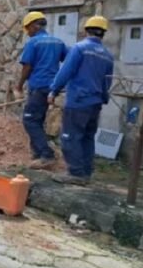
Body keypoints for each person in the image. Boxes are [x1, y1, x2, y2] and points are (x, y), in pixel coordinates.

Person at [48, 16, 114, 185]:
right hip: (95, 103)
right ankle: (86, 172)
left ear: (86, 31)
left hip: (78, 101)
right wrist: (103, 98)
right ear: (103, 33)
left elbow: (66, 71)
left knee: (70, 136)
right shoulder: (107, 56)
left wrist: (54, 90)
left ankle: (76, 173)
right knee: (87, 138)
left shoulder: (80, 48)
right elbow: (107, 81)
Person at [16, 11, 68, 169]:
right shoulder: (58, 42)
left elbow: (27, 66)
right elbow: (68, 61)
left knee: (29, 120)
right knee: (38, 120)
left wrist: (19, 85)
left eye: (27, 29)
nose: (28, 33)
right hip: (52, 87)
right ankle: (37, 154)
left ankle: (46, 154)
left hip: (38, 86)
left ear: (34, 26)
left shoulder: (33, 43)